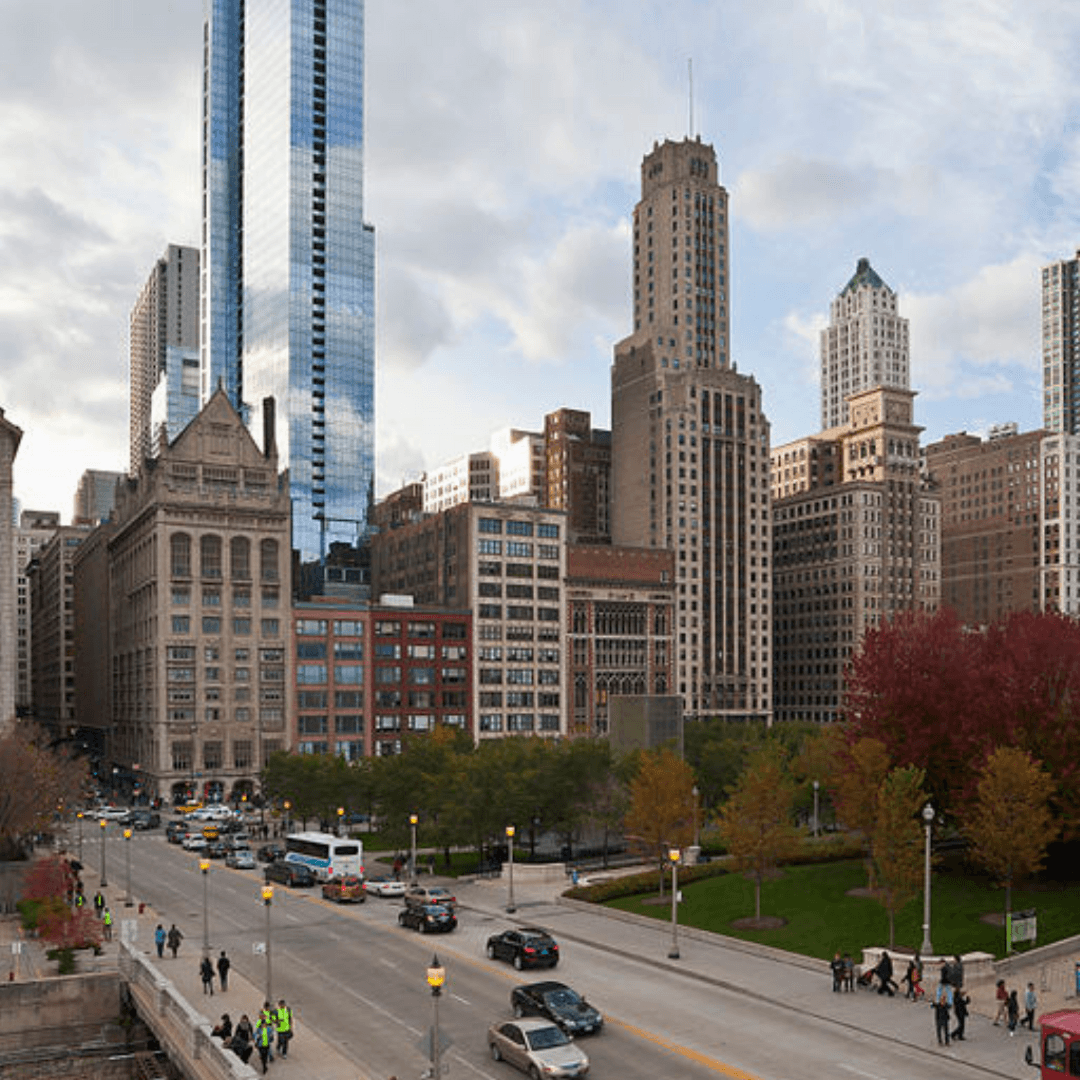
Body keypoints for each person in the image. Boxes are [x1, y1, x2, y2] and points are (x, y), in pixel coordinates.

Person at [933, 975, 954, 1046]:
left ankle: (946, 1042)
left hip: (943, 1019)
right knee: (941, 1031)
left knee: (945, 1031)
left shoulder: (943, 1005)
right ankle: (940, 1041)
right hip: (940, 1020)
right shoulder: (940, 1005)